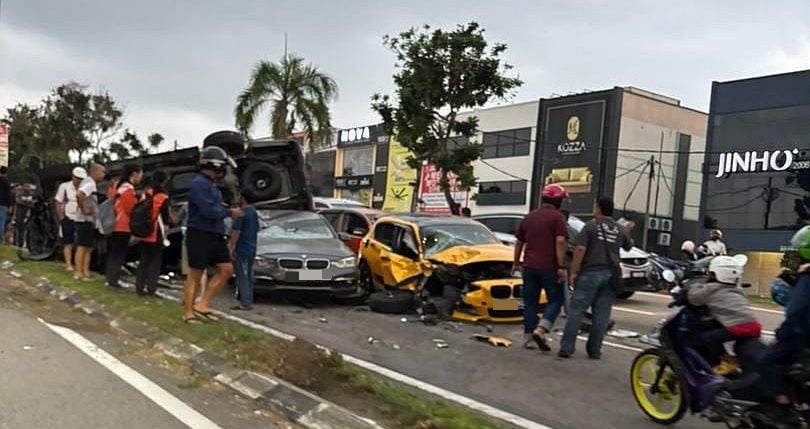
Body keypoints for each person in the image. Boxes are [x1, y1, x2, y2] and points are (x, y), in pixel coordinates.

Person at [560, 197, 633, 359]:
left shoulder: (591, 226)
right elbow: (628, 246)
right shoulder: (619, 229)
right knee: (602, 314)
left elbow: (579, 249)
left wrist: (574, 272)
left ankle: (567, 348)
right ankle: (594, 351)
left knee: (577, 310)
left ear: (598, 208)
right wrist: (627, 231)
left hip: (591, 272)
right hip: (612, 274)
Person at [754, 227, 810, 426]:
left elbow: (795, 313)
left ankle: (782, 406)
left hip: (801, 336)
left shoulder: (806, 278)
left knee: (766, 361)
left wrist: (780, 334)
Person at [183, 146, 243, 324]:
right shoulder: (199, 184)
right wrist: (229, 213)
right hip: (199, 233)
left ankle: (202, 304)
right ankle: (188, 312)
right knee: (195, 273)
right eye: (223, 167)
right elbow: (208, 210)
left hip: (215, 233)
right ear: (215, 165)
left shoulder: (212, 186)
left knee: (226, 270)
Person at [513, 184, 569, 351]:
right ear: (558, 201)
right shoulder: (557, 218)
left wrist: (516, 262)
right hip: (549, 267)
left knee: (530, 303)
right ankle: (541, 329)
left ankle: (529, 338)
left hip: (529, 266)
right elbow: (560, 241)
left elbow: (519, 242)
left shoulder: (529, 217)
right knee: (556, 300)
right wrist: (560, 265)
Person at [686, 256, 761, 369]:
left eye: (710, 273)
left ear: (715, 274)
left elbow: (693, 298)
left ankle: (721, 362)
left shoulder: (711, 288)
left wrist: (694, 285)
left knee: (701, 338)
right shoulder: (736, 289)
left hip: (738, 328)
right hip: (754, 326)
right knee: (714, 331)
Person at [135, 170, 174, 297]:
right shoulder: (163, 196)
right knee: (155, 261)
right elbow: (166, 218)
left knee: (143, 260)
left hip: (143, 230)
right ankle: (151, 288)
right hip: (156, 231)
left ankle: (139, 288)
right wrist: (166, 235)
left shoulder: (146, 193)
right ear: (164, 181)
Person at [105, 164, 143, 292]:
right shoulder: (128, 189)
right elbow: (130, 209)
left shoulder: (117, 185)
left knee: (114, 254)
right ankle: (113, 282)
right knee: (119, 255)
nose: (141, 177)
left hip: (112, 224)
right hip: (123, 225)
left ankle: (110, 279)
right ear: (134, 174)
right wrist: (139, 202)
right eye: (140, 173)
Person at [75, 163, 106, 281]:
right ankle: (79, 272)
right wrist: (84, 209)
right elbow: (79, 194)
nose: (104, 174)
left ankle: (85, 271)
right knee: (83, 246)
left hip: (89, 220)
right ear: (95, 172)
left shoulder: (89, 183)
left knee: (88, 247)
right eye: (102, 172)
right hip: (85, 219)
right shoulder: (89, 183)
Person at [229, 194, 259, 311]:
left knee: (242, 275)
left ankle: (245, 302)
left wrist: (231, 246)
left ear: (243, 198)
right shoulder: (254, 212)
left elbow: (236, 231)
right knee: (248, 275)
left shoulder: (241, 213)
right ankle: (246, 299)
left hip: (242, 248)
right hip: (252, 247)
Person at [54, 167, 87, 272]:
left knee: (79, 242)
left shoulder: (85, 188)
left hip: (81, 217)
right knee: (68, 241)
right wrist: (61, 217)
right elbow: (58, 201)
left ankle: (78, 264)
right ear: (73, 177)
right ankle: (68, 264)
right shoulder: (64, 187)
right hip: (68, 216)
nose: (79, 181)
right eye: (77, 178)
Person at [13, 182, 36, 247]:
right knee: (17, 227)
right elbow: (17, 201)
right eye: (25, 186)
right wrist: (26, 203)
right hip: (19, 211)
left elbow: (33, 203)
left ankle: (22, 243)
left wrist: (26, 203)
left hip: (27, 212)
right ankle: (15, 242)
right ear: (23, 187)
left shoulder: (31, 194)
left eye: (28, 187)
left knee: (24, 228)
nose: (27, 188)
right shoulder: (19, 192)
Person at [0, 167, 11, 244]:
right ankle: (0, 240)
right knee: (1, 223)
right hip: (4, 205)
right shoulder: (7, 182)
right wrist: (10, 206)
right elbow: (8, 195)